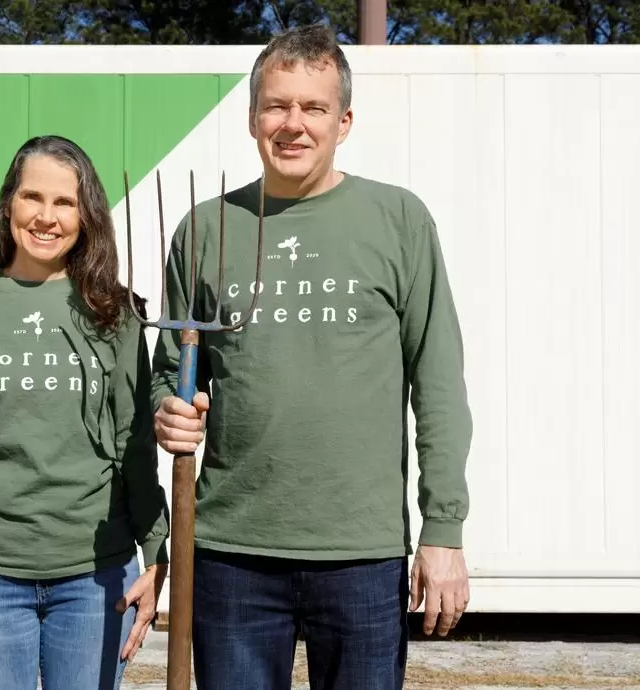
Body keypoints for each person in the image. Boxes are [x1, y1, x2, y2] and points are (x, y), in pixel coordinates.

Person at [150, 24, 473, 690]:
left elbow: (438, 383)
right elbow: (167, 372)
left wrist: (443, 529)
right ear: (252, 118)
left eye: (313, 107)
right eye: (276, 105)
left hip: (361, 554)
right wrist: (168, 411)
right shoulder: (205, 230)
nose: (292, 124)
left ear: (343, 121)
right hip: (231, 551)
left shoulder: (398, 221)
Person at [0, 134, 171, 690]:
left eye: (65, 202)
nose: (47, 217)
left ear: (86, 216)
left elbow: (134, 444)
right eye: (32, 197)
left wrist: (157, 553)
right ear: (8, 205)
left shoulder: (115, 314)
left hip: (96, 577)